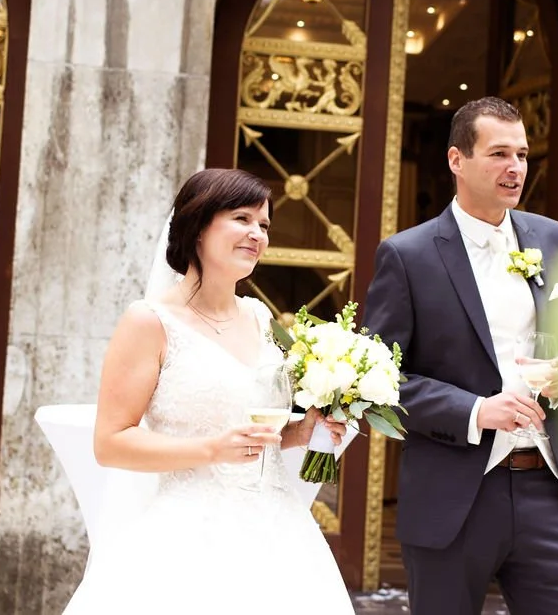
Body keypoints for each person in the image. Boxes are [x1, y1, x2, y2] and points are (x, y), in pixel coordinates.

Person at [64, 168, 353, 614]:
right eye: (242, 218)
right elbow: (111, 442)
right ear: (198, 227)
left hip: (278, 533)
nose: (257, 233)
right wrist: (211, 450)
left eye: (264, 225)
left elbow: (259, 430)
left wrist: (302, 430)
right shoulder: (149, 322)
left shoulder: (260, 317)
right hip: (188, 535)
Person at [363, 97, 558, 614]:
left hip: (546, 484)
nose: (514, 168)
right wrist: (474, 411)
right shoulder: (407, 256)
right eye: (498, 154)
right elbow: (375, 380)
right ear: (456, 160)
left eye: (521, 154)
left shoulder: (552, 238)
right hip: (454, 496)